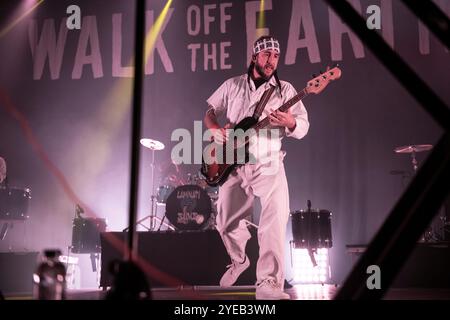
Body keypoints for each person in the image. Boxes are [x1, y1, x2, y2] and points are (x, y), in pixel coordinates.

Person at [204, 36, 310, 300]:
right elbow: (209, 111)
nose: (271, 60)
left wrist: (290, 122)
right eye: (266, 55)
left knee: (274, 221)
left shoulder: (285, 90)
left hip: (270, 163)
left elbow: (304, 126)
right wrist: (215, 129)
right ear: (254, 57)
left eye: (275, 55)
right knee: (225, 223)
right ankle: (239, 261)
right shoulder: (232, 85)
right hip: (235, 163)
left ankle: (269, 284)